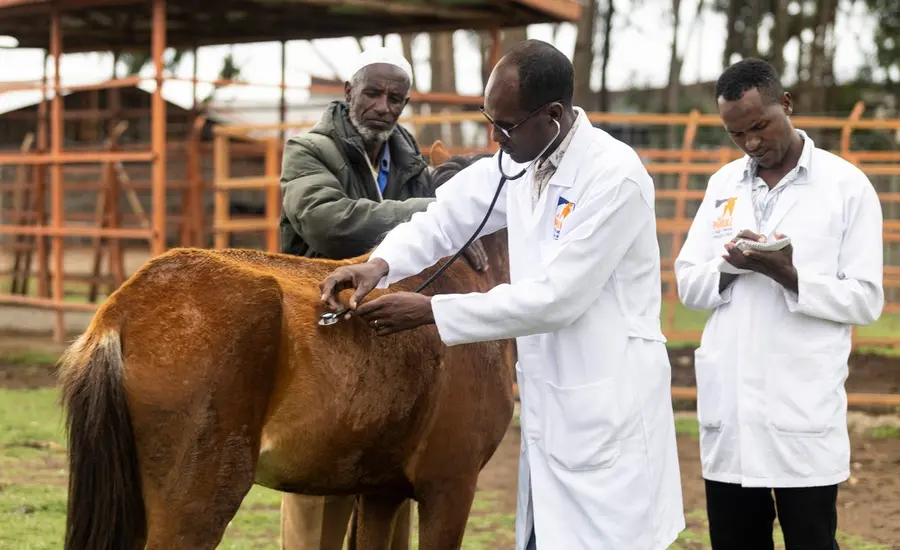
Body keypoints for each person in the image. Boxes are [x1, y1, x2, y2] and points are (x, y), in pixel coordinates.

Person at [318, 39, 685, 550]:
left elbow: (559, 298)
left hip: (607, 402)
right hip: (554, 407)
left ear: (553, 116)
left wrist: (432, 311)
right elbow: (444, 219)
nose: (495, 137)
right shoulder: (523, 157)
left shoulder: (614, 179)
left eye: (505, 125)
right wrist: (378, 264)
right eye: (490, 120)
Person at [278, 46, 487, 550]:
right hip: (322, 320)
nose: (383, 106)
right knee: (320, 463)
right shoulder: (308, 148)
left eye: (396, 97)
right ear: (348, 91)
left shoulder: (409, 156)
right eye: (372, 92)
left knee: (388, 473)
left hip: (390, 327)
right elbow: (328, 225)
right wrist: (430, 211)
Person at [673, 58, 884, 550]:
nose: (750, 143)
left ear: (786, 104)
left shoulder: (846, 187)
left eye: (760, 125)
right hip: (730, 412)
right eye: (736, 133)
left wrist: (789, 277)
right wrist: (732, 266)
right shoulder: (722, 186)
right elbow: (688, 282)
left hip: (800, 412)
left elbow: (866, 300)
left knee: (811, 540)